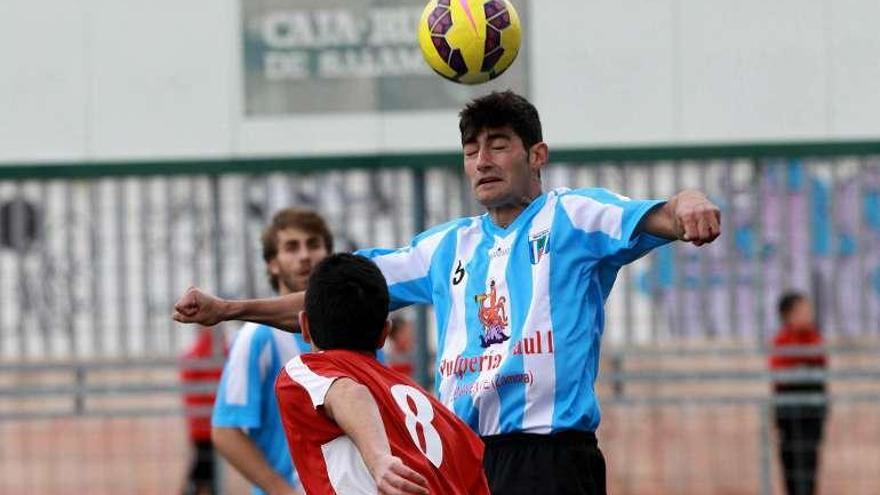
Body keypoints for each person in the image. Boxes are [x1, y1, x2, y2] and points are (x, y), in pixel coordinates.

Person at [174, 90, 721, 494]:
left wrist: (690, 199)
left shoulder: (573, 217)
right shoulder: (447, 247)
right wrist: (230, 310)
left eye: (498, 145)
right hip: (459, 460)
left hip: (547, 459)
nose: (482, 161)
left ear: (537, 155)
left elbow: (664, 215)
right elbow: (333, 300)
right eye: (471, 150)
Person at [275, 253, 489, 494]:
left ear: (304, 326)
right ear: (384, 333)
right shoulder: (452, 425)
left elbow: (348, 392)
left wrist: (379, 460)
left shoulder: (305, 370)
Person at [211, 208, 333, 495]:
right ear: (273, 263)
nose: (305, 256)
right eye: (292, 247)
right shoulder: (257, 338)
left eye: (313, 244)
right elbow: (225, 431)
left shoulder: (355, 328)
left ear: (329, 254)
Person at [770, 292, 828, 495]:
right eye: (802, 311)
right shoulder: (782, 340)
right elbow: (779, 372)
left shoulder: (814, 336)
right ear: (788, 315)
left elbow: (820, 362)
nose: (808, 315)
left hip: (812, 410)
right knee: (790, 461)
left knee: (809, 461)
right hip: (788, 410)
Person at [179, 327, 226, 495]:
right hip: (208, 422)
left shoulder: (195, 353)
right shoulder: (213, 352)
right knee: (204, 469)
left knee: (205, 467)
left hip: (200, 421)